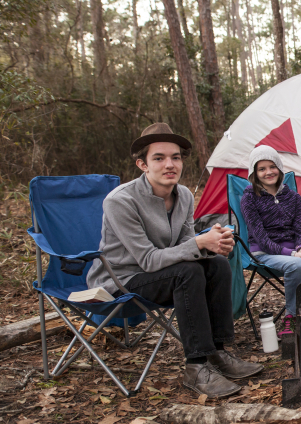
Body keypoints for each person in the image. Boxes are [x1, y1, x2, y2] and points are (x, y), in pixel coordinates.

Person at [86, 123, 263, 398]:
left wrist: (211, 245)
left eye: (176, 157)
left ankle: (217, 352)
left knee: (215, 264)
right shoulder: (120, 201)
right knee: (187, 273)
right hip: (120, 280)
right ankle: (196, 366)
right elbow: (146, 259)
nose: (169, 164)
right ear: (142, 165)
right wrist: (198, 244)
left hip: (164, 272)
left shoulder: (184, 197)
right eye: (159, 158)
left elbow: (183, 246)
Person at [240, 145, 301, 334]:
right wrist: (292, 254)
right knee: (297, 265)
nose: (268, 172)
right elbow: (261, 239)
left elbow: (300, 229)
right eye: (261, 169)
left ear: (279, 169)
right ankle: (292, 315)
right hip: (263, 253)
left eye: (272, 166)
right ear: (254, 173)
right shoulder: (249, 199)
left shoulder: (293, 197)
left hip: (293, 250)